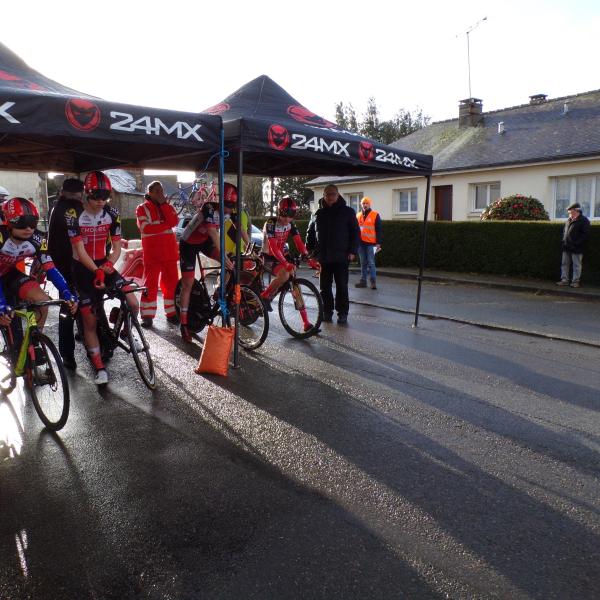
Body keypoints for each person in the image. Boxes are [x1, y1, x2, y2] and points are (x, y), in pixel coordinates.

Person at [67, 171, 139, 385]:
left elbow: (117, 246)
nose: (100, 202)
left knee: (133, 302)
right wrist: (97, 270)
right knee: (89, 320)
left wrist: (108, 264)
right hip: (82, 268)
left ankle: (124, 329)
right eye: (96, 197)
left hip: (104, 265)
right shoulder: (73, 215)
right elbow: (79, 250)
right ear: (86, 195)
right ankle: (99, 367)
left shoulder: (111, 212)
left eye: (104, 197)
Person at [0, 198, 77, 373]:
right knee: (3, 314)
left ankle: (34, 341)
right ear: (8, 223)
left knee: (42, 301)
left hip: (9, 274)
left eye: (32, 223)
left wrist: (66, 291)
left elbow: (50, 267)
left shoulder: (36, 238)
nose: (28, 228)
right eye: (22, 223)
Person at [178, 182, 234, 342]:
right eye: (227, 204)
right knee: (188, 284)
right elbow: (212, 232)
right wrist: (223, 255)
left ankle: (218, 292)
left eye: (232, 205)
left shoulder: (229, 211)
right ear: (219, 201)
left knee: (231, 265)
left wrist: (249, 245)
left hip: (203, 241)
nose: (230, 208)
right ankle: (183, 324)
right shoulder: (209, 208)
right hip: (188, 243)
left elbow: (239, 230)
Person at [260, 197, 319, 330]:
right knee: (286, 274)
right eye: (284, 216)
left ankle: (306, 323)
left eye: (290, 217)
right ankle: (265, 296)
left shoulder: (291, 224)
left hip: (282, 255)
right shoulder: (270, 223)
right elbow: (273, 248)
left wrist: (308, 258)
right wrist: (285, 263)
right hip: (269, 257)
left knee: (294, 284)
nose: (287, 220)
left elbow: (298, 242)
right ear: (279, 212)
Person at [306, 184, 360, 325]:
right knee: (325, 287)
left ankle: (342, 313)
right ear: (323, 195)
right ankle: (327, 312)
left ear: (337, 195)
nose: (330, 197)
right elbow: (311, 233)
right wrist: (309, 251)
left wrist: (353, 251)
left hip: (342, 256)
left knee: (342, 286)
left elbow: (355, 233)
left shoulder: (348, 212)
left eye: (333, 194)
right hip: (324, 257)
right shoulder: (318, 214)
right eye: (327, 194)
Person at [47, 178, 85, 369]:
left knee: (69, 305)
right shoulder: (73, 209)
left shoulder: (56, 206)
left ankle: (69, 351)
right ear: (78, 193)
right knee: (73, 306)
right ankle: (68, 354)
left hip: (60, 266)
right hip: (71, 266)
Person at [136, 180, 179, 328]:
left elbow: (174, 221)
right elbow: (146, 228)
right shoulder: (141, 208)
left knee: (172, 286)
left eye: (162, 191)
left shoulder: (167, 206)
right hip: (153, 255)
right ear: (150, 193)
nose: (161, 194)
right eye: (158, 191)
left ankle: (172, 313)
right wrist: (166, 224)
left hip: (169, 254)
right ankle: (147, 316)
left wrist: (164, 205)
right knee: (150, 285)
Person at [556, 202, 591, 288]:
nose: (569, 214)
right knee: (564, 264)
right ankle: (564, 280)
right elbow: (565, 232)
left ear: (576, 210)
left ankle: (575, 282)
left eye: (570, 212)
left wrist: (576, 244)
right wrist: (563, 241)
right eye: (569, 212)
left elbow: (585, 235)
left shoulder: (584, 220)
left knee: (576, 265)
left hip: (577, 248)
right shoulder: (569, 220)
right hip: (566, 246)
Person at [355, 197, 382, 290]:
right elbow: (355, 230)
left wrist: (378, 243)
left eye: (366, 203)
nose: (365, 205)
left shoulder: (375, 215)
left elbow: (379, 230)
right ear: (361, 205)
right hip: (360, 243)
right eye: (363, 203)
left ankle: (373, 282)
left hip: (371, 243)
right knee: (363, 263)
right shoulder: (358, 215)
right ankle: (363, 281)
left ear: (369, 204)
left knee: (371, 263)